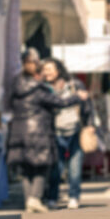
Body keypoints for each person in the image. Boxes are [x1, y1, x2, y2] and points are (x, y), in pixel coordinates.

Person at [6, 49, 87, 213]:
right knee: (42, 166)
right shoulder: (37, 88)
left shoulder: (16, 84)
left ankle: (29, 200)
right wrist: (77, 97)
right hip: (38, 131)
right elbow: (59, 102)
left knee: (27, 168)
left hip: (18, 131)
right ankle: (35, 198)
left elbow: (8, 105)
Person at [40, 59, 90, 210]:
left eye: (50, 68)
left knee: (75, 168)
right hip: (55, 132)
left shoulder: (74, 84)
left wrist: (90, 124)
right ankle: (52, 197)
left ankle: (74, 196)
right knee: (56, 168)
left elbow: (87, 106)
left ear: (58, 70)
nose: (47, 72)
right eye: (44, 69)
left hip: (76, 130)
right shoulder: (43, 88)